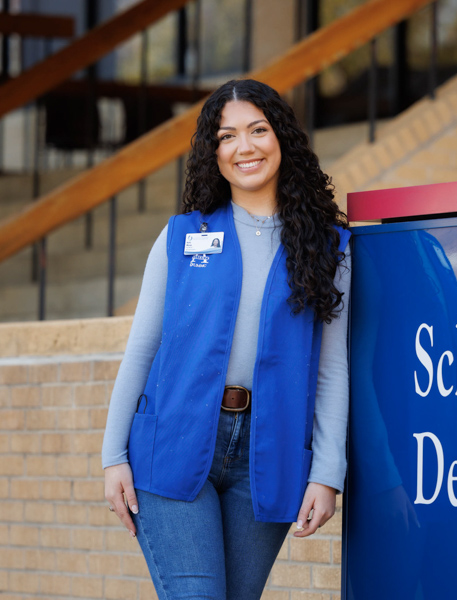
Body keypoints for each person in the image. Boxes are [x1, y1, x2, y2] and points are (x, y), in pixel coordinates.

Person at [102, 78, 350, 600]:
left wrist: (327, 473)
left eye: (258, 130)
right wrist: (112, 457)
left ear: (281, 137)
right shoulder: (180, 237)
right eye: (228, 135)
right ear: (212, 152)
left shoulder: (329, 248)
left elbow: (330, 368)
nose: (246, 147)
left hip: (270, 450)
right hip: (171, 441)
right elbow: (142, 349)